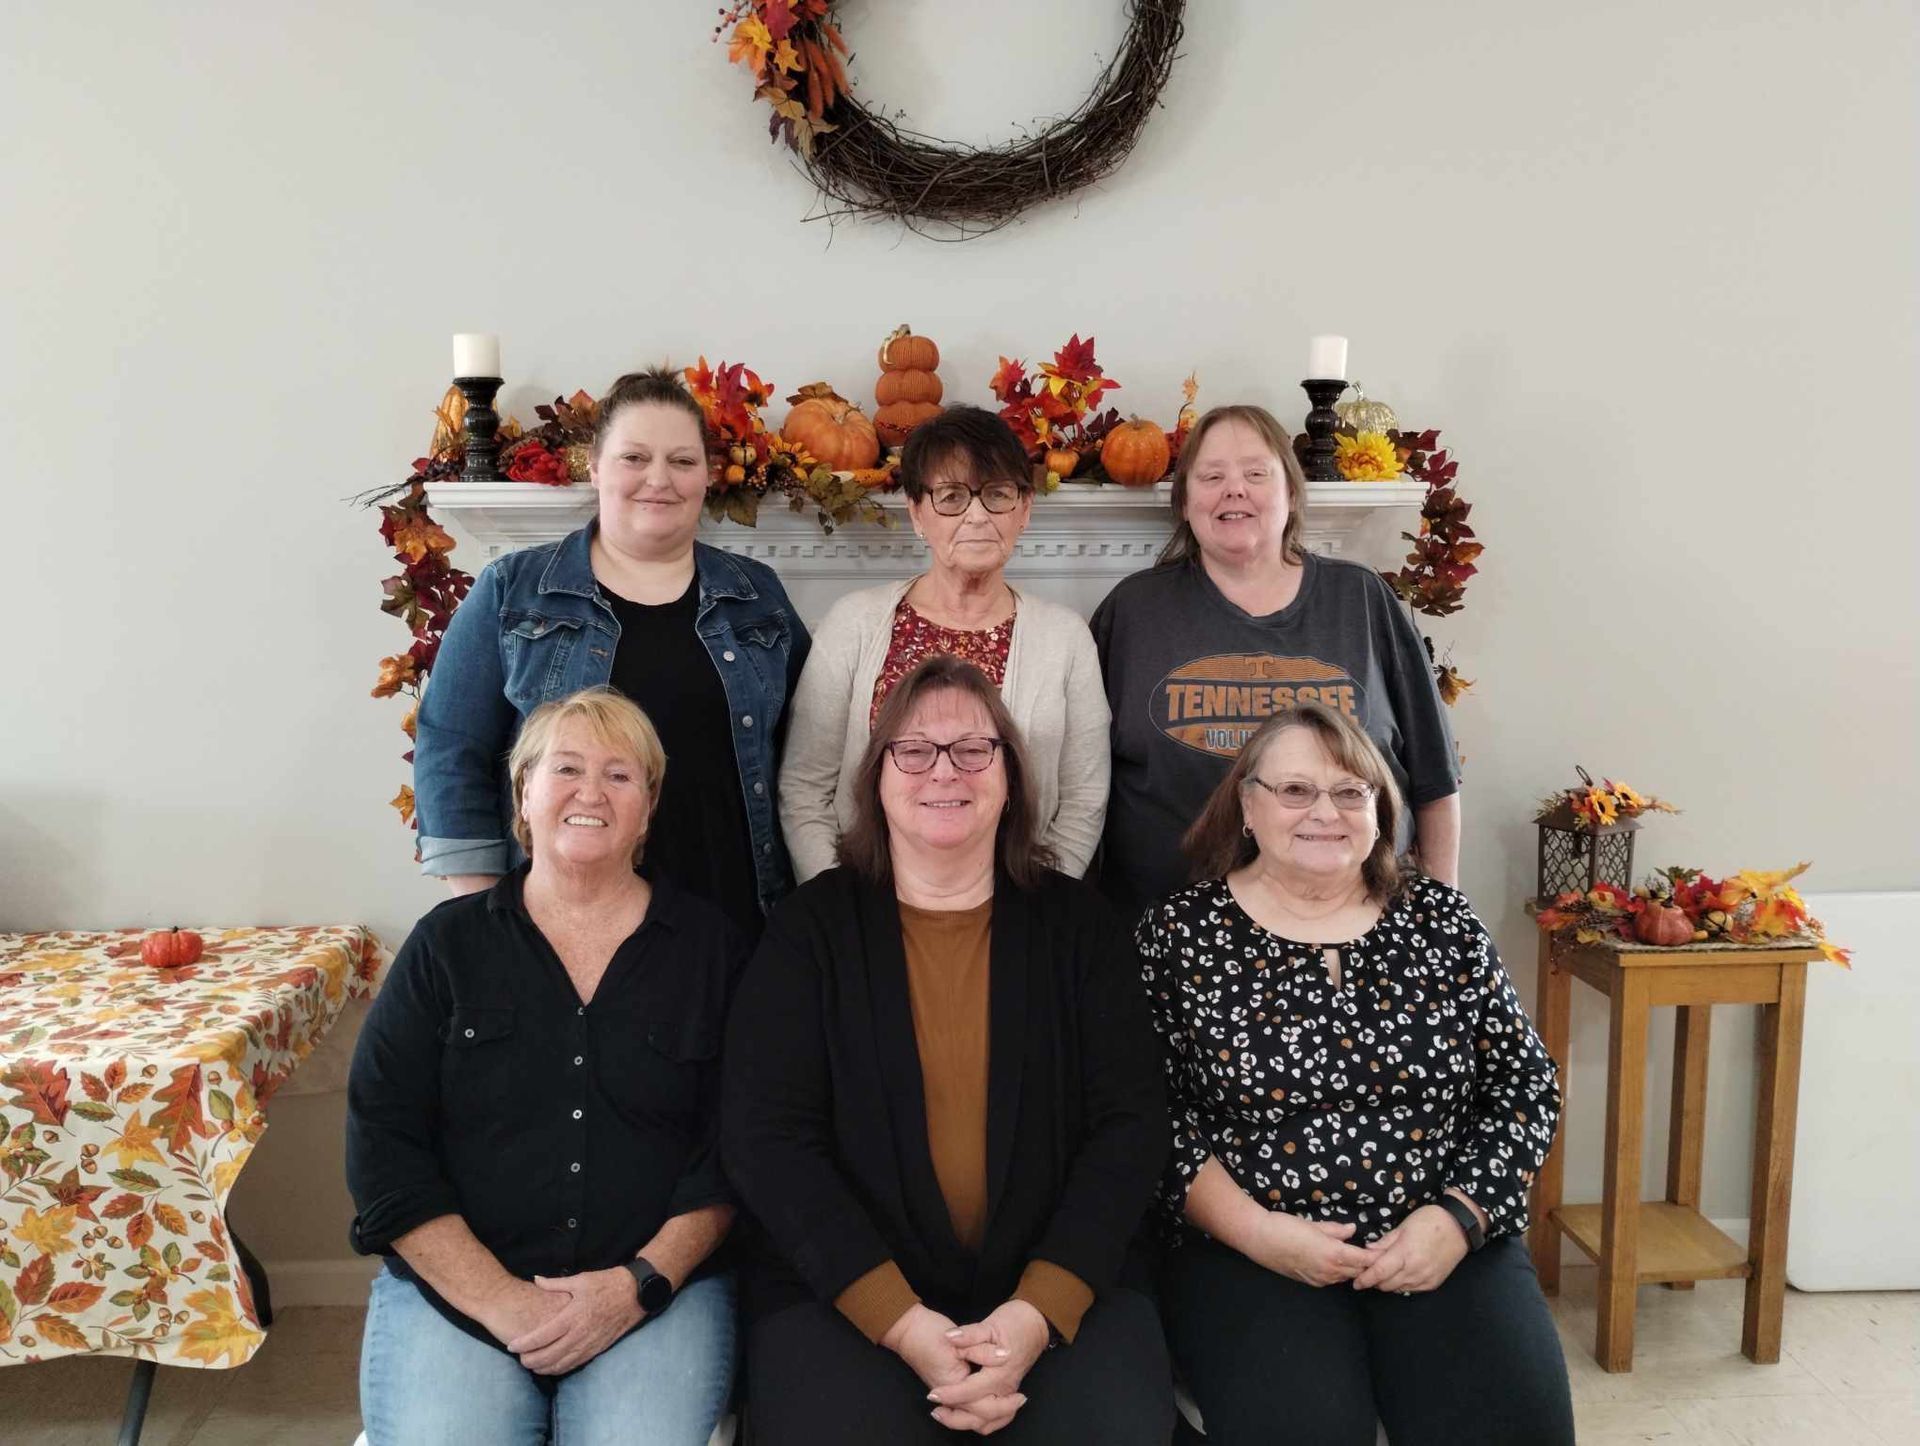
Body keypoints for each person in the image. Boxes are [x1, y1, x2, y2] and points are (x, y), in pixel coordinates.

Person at [725, 656, 1172, 1445]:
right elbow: (769, 1140)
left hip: (1060, 1284)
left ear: (1009, 777)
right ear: (878, 778)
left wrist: (1036, 1314)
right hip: (845, 1292)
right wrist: (901, 1324)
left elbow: (1129, 1127)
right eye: (915, 750)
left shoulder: (1083, 929)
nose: (946, 771)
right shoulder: (808, 932)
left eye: (975, 750)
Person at [1138, 702, 1572, 1445]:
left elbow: (1525, 1087)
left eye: (1350, 792)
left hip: (1443, 1240)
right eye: (1296, 791)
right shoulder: (1179, 935)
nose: (1325, 813)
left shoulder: (1442, 921)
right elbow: (1151, 1116)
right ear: (1247, 805)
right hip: (1251, 1251)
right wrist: (1260, 1234)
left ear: (1380, 810)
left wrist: (1457, 1220)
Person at [348, 688, 744, 1445]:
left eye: (620, 775)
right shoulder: (445, 949)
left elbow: (737, 1147)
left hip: (658, 1294)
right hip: (462, 1295)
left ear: (649, 806)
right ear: (523, 793)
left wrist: (640, 1285)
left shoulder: (713, 951)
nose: (590, 792)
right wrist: (501, 1301)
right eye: (565, 768)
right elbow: (383, 1150)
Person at [413, 367, 809, 934]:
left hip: (736, 915)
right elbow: (451, 745)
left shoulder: (756, 596)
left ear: (706, 476)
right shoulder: (513, 590)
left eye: (682, 461)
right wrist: (482, 912)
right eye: (634, 458)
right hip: (562, 924)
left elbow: (812, 747)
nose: (659, 479)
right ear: (595, 467)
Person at [1090, 404, 1460, 918]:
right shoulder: (1132, 611)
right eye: (1212, 476)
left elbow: (1435, 780)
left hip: (1359, 930)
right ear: (1185, 500)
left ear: (1291, 492)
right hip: (1166, 940)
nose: (1234, 489)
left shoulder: (1362, 599)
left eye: (1256, 474)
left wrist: (1444, 919)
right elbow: (1081, 785)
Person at [779, 405, 1109, 883]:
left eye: (997, 494)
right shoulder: (854, 624)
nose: (977, 515)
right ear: (917, 513)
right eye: (952, 496)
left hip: (1024, 906)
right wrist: (838, 905)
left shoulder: (1066, 639)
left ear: (1024, 510)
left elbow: (1084, 799)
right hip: (862, 902)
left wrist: (1038, 908)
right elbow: (805, 788)